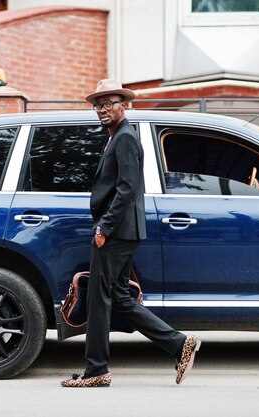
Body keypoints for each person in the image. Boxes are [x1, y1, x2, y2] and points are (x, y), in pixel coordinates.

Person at [61, 79, 201, 388]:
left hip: (115, 231)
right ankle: (179, 345)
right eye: (98, 104)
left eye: (109, 103)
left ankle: (96, 370)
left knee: (99, 298)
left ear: (125, 104)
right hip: (122, 230)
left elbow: (126, 189)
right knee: (120, 297)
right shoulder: (115, 137)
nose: (102, 109)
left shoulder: (125, 138)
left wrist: (104, 227)